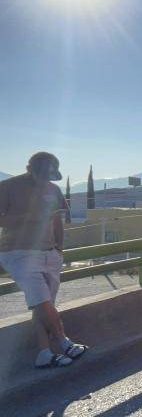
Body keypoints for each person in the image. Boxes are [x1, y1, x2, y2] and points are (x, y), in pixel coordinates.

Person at [0, 152, 87, 368]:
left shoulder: (53, 189)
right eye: (42, 175)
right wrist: (31, 216)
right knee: (43, 302)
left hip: (49, 253)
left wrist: (59, 249)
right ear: (29, 169)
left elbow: (57, 220)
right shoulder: (8, 186)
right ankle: (63, 341)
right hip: (18, 252)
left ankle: (44, 354)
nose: (45, 180)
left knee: (44, 305)